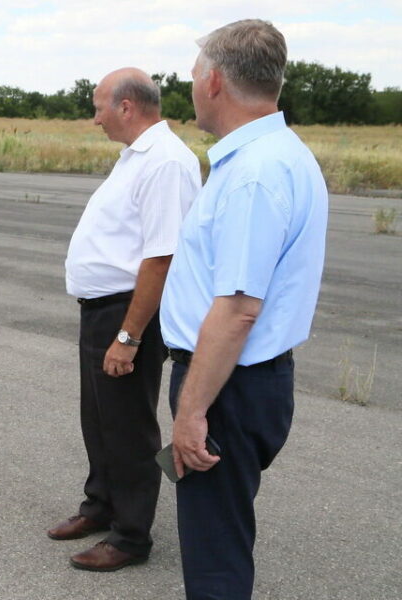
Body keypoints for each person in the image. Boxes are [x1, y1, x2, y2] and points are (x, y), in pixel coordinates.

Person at [162, 19, 328, 599]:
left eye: (193, 76)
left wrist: (191, 413)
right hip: (242, 382)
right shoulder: (280, 155)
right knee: (222, 535)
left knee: (215, 559)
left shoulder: (255, 173)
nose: (191, 87)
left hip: (225, 388)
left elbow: (237, 310)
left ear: (213, 81)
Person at [51, 68, 201, 571]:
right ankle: (101, 505)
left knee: (129, 427)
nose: (95, 119)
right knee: (99, 419)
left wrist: (129, 336)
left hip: (128, 313)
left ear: (126, 106)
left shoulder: (166, 163)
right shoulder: (136, 157)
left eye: (98, 108)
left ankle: (132, 536)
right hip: (103, 311)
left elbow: (162, 258)